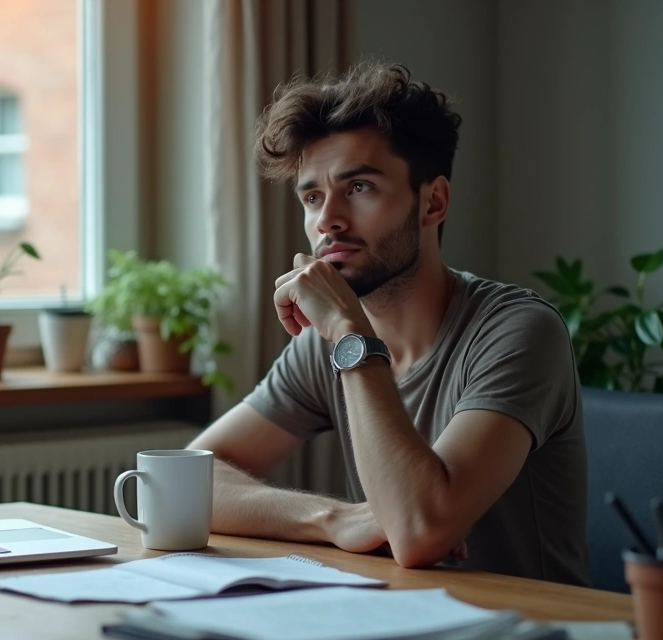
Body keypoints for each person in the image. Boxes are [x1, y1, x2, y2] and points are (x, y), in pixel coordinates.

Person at [188, 61, 589, 586]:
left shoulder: (518, 331)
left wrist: (351, 336)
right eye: (312, 196)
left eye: (359, 188)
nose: (327, 219)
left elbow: (420, 532)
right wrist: (332, 519)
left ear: (433, 202)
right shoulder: (325, 341)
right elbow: (184, 477)